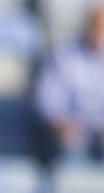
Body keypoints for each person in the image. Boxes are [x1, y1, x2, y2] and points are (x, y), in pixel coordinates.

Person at [35, 4, 104, 160]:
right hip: (71, 133)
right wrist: (62, 123)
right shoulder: (64, 56)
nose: (99, 34)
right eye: (96, 27)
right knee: (71, 145)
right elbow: (47, 100)